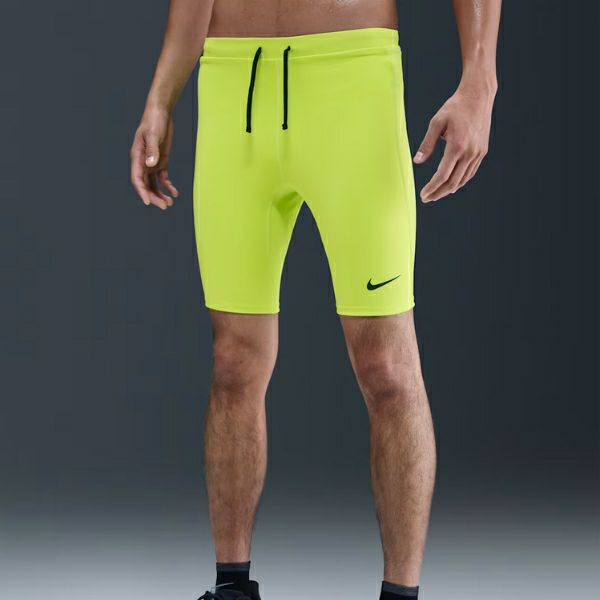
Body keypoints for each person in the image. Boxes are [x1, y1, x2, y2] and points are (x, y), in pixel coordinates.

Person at [130, 1, 501, 598]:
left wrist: (479, 79)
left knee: (386, 367)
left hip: (350, 83)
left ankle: (400, 594)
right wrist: (160, 97)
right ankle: (232, 589)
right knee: (233, 361)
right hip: (232, 84)